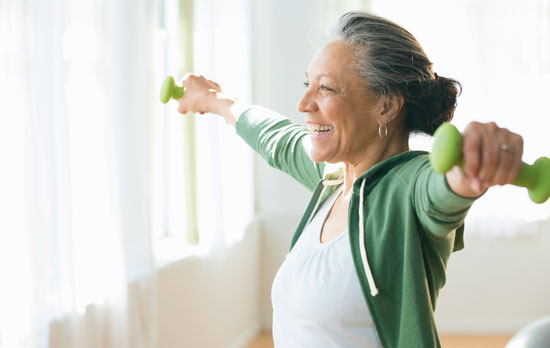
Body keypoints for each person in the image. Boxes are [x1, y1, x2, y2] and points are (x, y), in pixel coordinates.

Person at [175, 11, 523, 348]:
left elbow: (441, 188)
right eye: (307, 84)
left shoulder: (407, 189)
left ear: (385, 106)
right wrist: (214, 101)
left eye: (325, 88)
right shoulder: (335, 178)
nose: (303, 103)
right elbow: (276, 138)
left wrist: (473, 166)